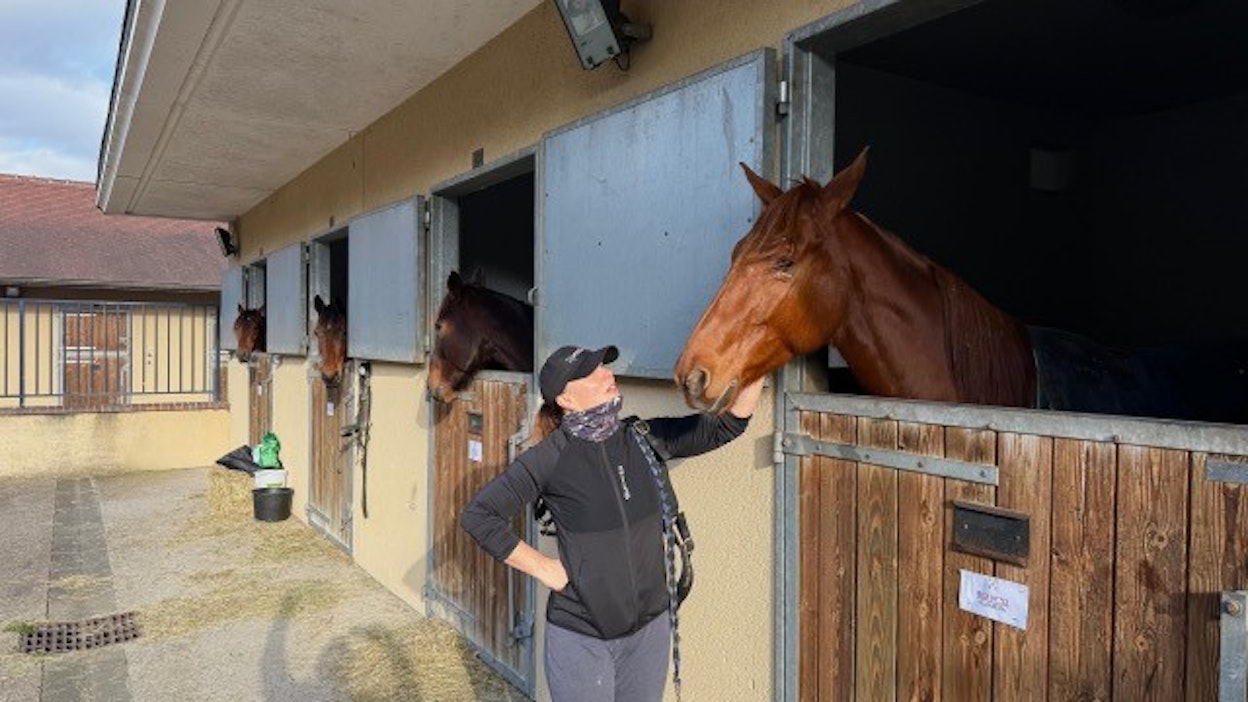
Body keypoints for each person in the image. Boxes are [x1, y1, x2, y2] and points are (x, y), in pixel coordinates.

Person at [461, 344, 763, 701]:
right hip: (583, 638)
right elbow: (479, 516)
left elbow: (727, 425)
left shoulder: (643, 438)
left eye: (604, 368)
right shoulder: (549, 458)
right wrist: (546, 569)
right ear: (566, 400)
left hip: (650, 632)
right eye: (590, 374)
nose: (607, 375)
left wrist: (763, 357)